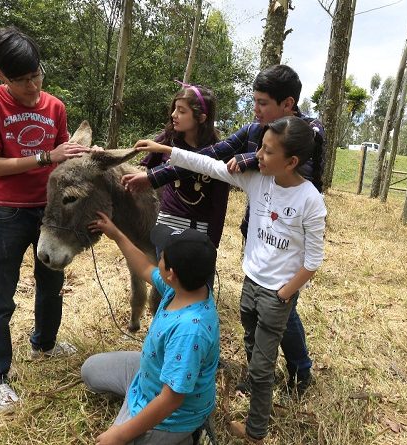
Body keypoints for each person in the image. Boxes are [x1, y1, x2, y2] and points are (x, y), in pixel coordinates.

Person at [123, 65, 322, 396]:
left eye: (262, 103)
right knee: (254, 315)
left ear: (287, 104)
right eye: (254, 102)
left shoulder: (309, 133)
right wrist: (162, 159)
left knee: (283, 311)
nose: (255, 110)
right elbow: (208, 159)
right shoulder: (253, 129)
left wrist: (250, 160)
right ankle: (261, 374)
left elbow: (302, 173)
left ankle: (300, 370)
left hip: (290, 240)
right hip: (260, 234)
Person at [134, 115, 327, 443]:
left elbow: (313, 259)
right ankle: (255, 388)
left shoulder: (310, 200)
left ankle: (255, 432)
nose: (258, 156)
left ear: (291, 161)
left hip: (277, 293)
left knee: (262, 368)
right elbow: (208, 165)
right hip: (251, 282)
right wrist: (167, 149)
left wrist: (285, 293)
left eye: (267, 152)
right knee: (251, 342)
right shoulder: (259, 180)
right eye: (260, 148)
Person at [0, 26, 91, 410]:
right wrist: (46, 157)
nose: (33, 86)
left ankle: (45, 342)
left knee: (51, 282)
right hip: (7, 212)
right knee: (0, 296)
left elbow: (65, 152)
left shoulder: (54, 106)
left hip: (49, 211)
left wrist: (83, 154)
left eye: (37, 74)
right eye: (22, 80)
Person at [82, 218, 220, 445]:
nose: (158, 260)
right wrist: (116, 233)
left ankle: (187, 434)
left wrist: (120, 434)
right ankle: (136, 404)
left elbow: (171, 400)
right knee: (90, 371)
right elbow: (144, 267)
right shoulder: (183, 287)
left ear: (171, 273)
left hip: (173, 415)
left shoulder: (190, 330)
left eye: (162, 257)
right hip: (149, 374)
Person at [138, 83, 228, 249]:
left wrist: (212, 245)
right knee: (165, 276)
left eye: (181, 110)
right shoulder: (168, 138)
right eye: (174, 108)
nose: (174, 115)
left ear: (201, 118)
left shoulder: (217, 151)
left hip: (197, 235)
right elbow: (144, 171)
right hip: (164, 230)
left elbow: (219, 204)